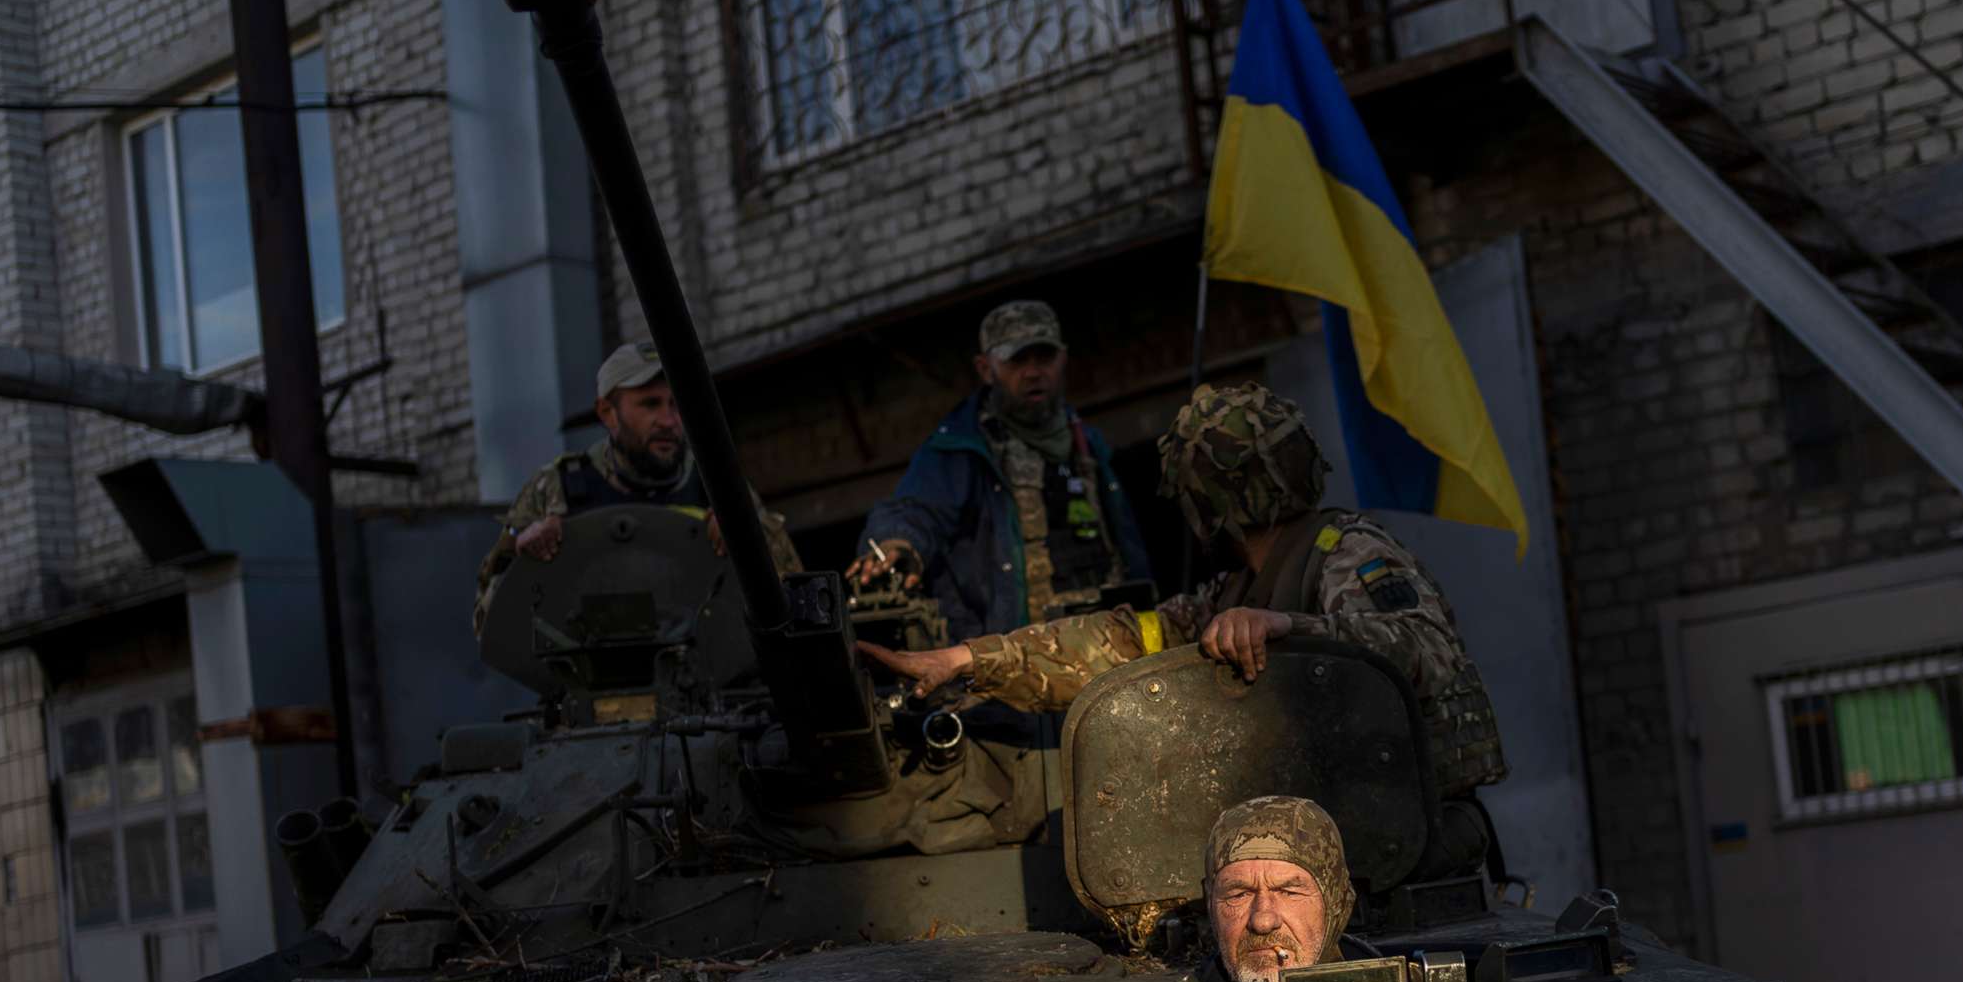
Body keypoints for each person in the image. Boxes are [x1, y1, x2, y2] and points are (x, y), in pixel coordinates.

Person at [858, 381, 1506, 878]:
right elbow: (1112, 644)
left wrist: (1287, 625)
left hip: (1405, 840)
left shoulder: (1344, 551)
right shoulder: (1226, 595)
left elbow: (1427, 646)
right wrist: (966, 660)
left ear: (1207, 500)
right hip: (1311, 842)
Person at [846, 300, 1149, 640]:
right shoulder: (962, 448)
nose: (1033, 372)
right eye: (1017, 360)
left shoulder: (1090, 444)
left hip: (1109, 641)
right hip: (1021, 659)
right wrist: (898, 543)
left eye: (1044, 358)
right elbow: (915, 509)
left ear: (1063, 358)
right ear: (986, 368)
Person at [473, 341, 800, 638]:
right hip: (588, 683)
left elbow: (793, 598)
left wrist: (750, 546)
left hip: (707, 682)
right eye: (650, 404)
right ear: (607, 413)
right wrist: (526, 557)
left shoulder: (719, 485)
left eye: (675, 404)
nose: (668, 420)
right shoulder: (555, 488)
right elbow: (489, 622)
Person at [1202, 795, 1353, 982]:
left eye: (1289, 892)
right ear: (1211, 908)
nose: (1263, 921)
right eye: (1238, 895)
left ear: (1336, 904)